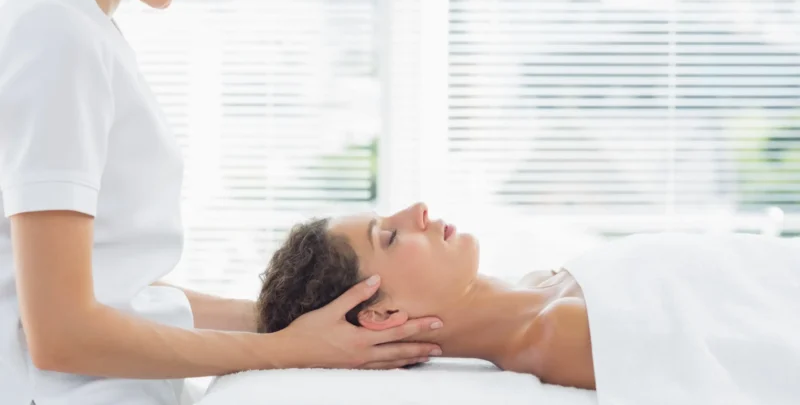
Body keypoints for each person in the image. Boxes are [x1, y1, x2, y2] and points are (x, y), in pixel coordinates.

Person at [0, 0, 443, 404]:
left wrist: (289, 321)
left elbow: (115, 288)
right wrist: (290, 349)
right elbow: (61, 335)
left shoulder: (75, 25)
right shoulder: (60, 36)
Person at [255, 202, 800, 393]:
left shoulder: (538, 288)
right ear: (385, 315)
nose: (417, 211)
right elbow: (763, 354)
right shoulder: (558, 334)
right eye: (390, 236)